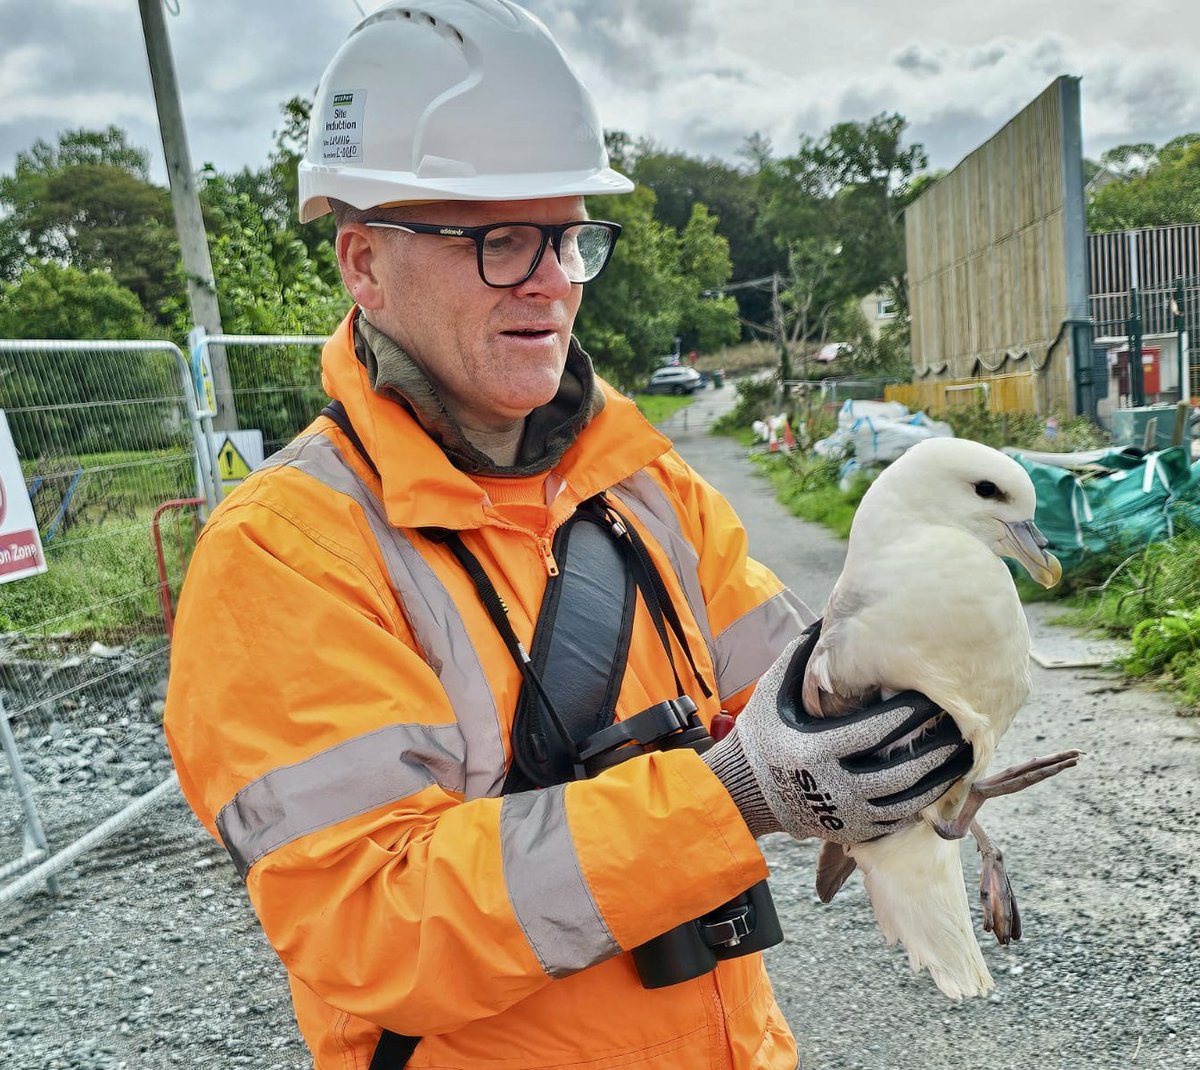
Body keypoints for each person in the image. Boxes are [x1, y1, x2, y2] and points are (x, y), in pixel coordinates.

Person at [164, 4, 968, 1068]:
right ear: (364, 263)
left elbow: (790, 688)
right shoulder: (284, 554)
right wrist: (728, 792)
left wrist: (921, 703)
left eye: (570, 237)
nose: (551, 280)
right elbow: (373, 920)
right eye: (500, 240)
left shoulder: (643, 482)